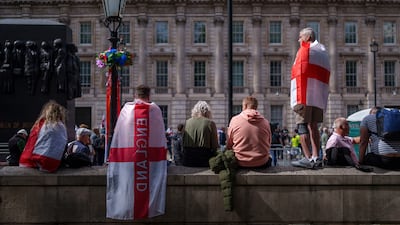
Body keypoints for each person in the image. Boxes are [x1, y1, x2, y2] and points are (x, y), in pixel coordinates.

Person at [106, 84, 168, 220]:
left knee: (127, 186)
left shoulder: (126, 110)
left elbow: (118, 136)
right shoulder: (155, 110)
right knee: (149, 185)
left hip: (128, 159)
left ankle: (126, 209)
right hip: (149, 161)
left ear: (135, 95)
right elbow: (160, 138)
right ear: (149, 95)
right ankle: (147, 209)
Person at [290, 27, 330, 169]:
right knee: (314, 126)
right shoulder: (322, 51)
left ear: (307, 38)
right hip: (317, 95)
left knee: (302, 126)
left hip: (305, 95)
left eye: (300, 37)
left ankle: (307, 158)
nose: (298, 40)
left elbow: (298, 72)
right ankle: (316, 156)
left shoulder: (305, 51)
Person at [19, 100, 67, 172]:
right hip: (52, 163)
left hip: (29, 161)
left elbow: (31, 144)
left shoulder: (40, 124)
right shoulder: (61, 126)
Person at [226, 96, 272, 168]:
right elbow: (268, 143)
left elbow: (229, 144)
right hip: (262, 162)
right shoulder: (265, 122)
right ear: (256, 107)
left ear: (244, 106)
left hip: (240, 161)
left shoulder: (234, 120)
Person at [182, 100, 219, 167]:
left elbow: (183, 143)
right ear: (207, 112)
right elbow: (215, 146)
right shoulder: (210, 123)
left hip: (187, 160)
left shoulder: (187, 122)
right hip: (204, 160)